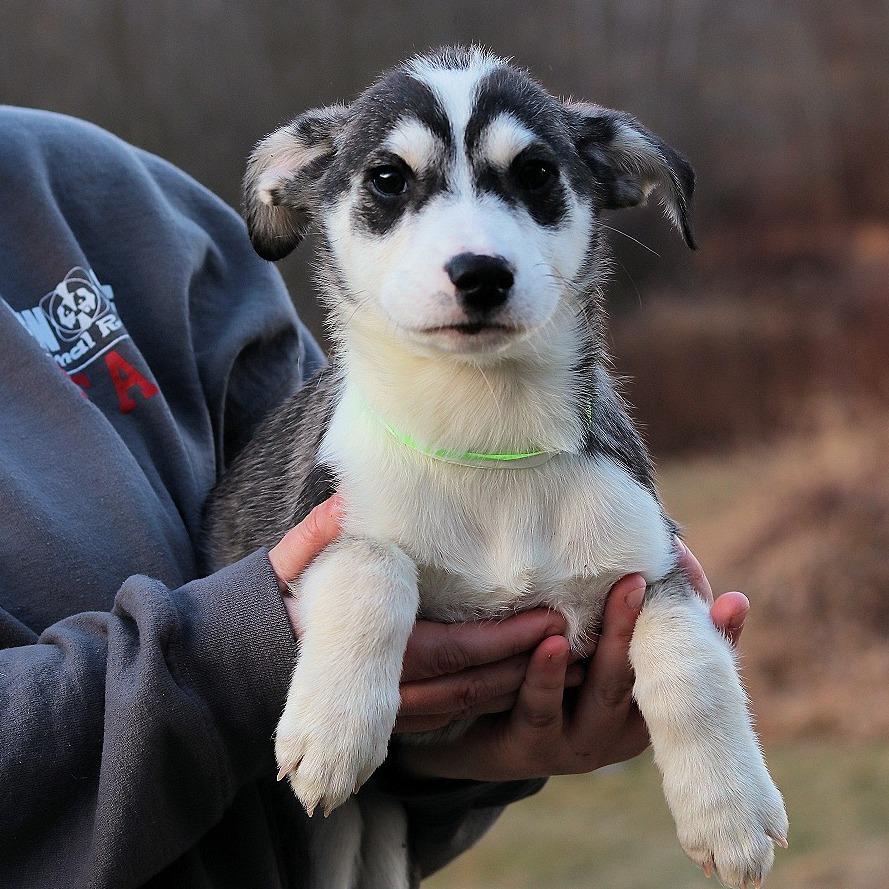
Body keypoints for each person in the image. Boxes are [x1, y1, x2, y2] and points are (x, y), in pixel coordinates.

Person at [0, 107, 750, 888]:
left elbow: (290, 501)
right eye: (391, 182)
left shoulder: (121, 198)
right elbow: (292, 611)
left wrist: (455, 749)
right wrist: (237, 668)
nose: (475, 248)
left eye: (530, 179)